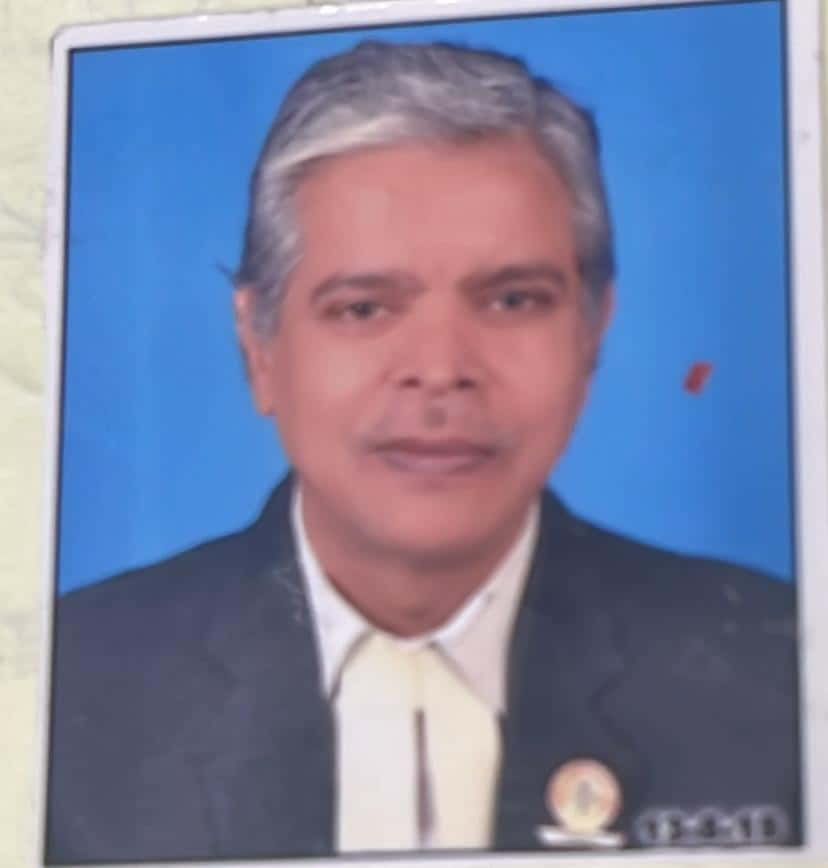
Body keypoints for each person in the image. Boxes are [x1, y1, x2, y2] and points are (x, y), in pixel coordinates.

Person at [46, 40, 799, 864]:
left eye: (513, 300)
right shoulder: (64, 684)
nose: (441, 370)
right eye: (365, 308)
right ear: (258, 347)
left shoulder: (780, 672)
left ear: (591, 331)